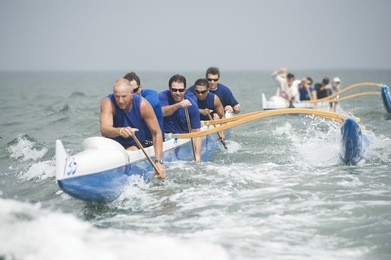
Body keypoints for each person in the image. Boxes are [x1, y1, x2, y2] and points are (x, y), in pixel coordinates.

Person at [100, 78, 165, 179]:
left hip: (135, 144)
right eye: (117, 97)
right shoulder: (108, 102)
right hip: (113, 145)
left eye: (124, 96)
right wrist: (120, 131)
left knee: (131, 150)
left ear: (131, 93)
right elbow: (104, 129)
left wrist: (158, 161)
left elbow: (156, 133)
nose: (120, 101)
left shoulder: (143, 105)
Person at [159, 74, 202, 162]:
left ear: (185, 89)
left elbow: (196, 134)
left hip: (182, 140)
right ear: (170, 89)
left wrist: (197, 156)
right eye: (174, 90)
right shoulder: (163, 97)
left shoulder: (192, 106)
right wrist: (178, 105)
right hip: (165, 138)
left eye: (181, 90)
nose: (177, 93)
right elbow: (162, 112)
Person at [123, 71, 164, 145]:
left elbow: (151, 103)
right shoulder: (121, 99)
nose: (132, 94)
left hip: (153, 141)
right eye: (128, 91)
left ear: (140, 87)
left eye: (134, 90)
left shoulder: (151, 94)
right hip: (135, 141)